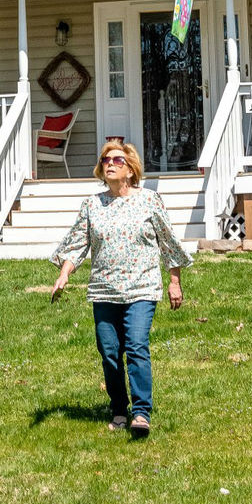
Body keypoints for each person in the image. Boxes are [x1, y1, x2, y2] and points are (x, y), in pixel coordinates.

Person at [50, 140, 193, 439]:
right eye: (105, 160)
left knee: (137, 345)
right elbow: (78, 243)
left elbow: (168, 242)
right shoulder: (93, 204)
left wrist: (175, 281)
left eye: (116, 160)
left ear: (130, 169)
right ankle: (119, 409)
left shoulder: (149, 200)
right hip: (104, 290)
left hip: (142, 287)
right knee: (110, 352)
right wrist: (64, 274)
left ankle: (141, 412)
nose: (109, 164)